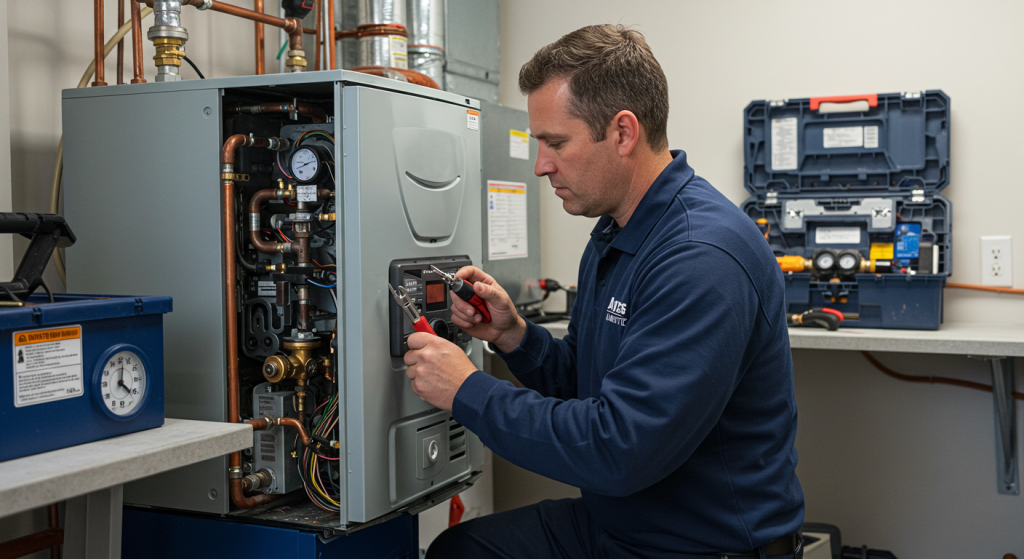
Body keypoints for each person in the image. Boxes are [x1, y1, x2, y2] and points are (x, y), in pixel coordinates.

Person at [402, 24, 805, 559]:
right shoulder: (619, 231)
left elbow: (617, 450)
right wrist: (515, 336)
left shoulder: (700, 256)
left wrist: (465, 391)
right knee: (465, 550)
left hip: (698, 546)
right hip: (623, 525)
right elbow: (589, 385)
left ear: (622, 133)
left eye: (555, 143)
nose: (541, 165)